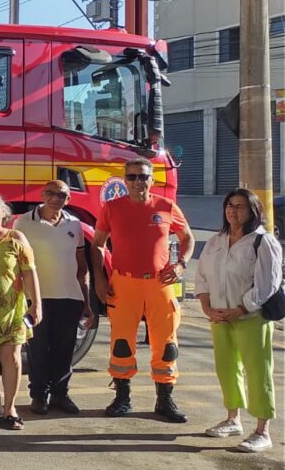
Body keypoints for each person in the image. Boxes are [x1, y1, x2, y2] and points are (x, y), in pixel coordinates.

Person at [93, 157, 194, 423]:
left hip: (160, 283)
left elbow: (188, 238)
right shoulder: (112, 208)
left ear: (152, 179)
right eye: (133, 177)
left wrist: (181, 265)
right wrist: (100, 279)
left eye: (143, 176)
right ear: (125, 181)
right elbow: (98, 245)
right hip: (124, 283)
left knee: (166, 343)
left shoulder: (166, 206)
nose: (138, 181)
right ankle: (122, 397)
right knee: (122, 342)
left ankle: (164, 399)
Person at [197, 189, 279, 452]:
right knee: (226, 368)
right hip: (220, 316)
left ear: (252, 210)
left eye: (240, 206)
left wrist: (243, 308)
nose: (233, 211)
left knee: (258, 372)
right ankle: (233, 419)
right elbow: (202, 275)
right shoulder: (217, 240)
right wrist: (206, 304)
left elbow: (269, 282)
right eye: (230, 205)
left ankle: (261, 431)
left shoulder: (262, 241)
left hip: (250, 317)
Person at [14, 181, 92, 416]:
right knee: (38, 349)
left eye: (62, 195)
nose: (56, 198)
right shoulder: (24, 222)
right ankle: (38, 396)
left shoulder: (75, 225)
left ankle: (60, 394)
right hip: (36, 297)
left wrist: (86, 302)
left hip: (69, 296)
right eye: (51, 193)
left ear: (68, 200)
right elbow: (16, 264)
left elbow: (81, 266)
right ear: (42, 194)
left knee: (64, 348)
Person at [0, 193, 40, 431]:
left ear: (3, 212)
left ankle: (10, 407)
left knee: (11, 357)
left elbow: (30, 272)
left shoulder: (16, 237)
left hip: (12, 308)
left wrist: (36, 304)